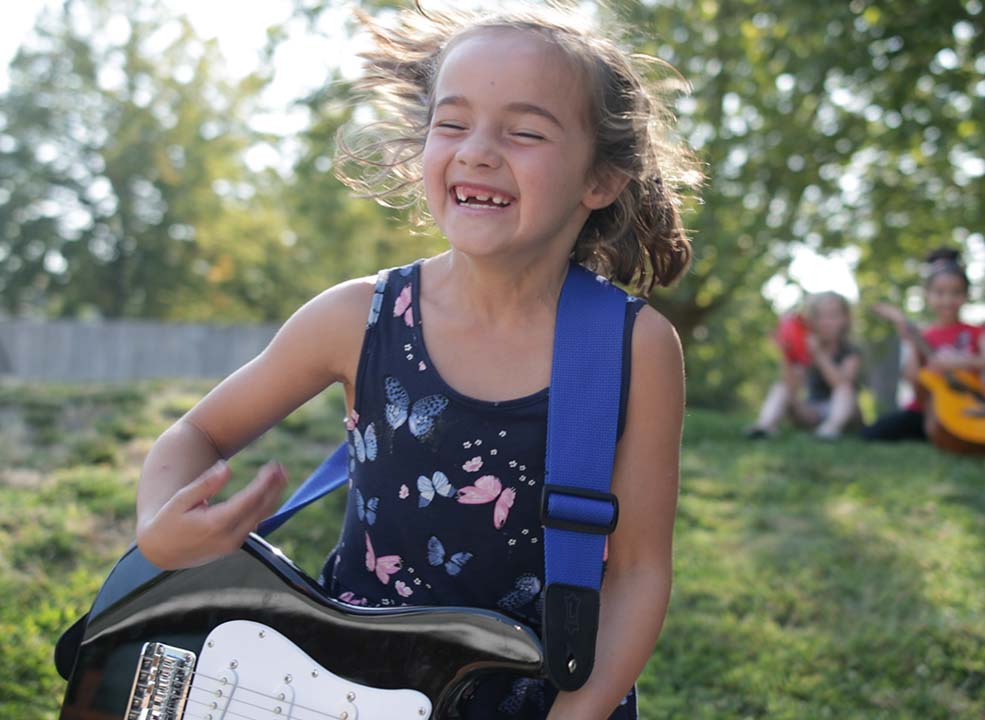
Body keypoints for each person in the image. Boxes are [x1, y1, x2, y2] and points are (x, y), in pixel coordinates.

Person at [133, 4, 701, 718]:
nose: (477, 151)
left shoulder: (635, 349)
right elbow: (196, 435)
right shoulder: (356, 318)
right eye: (451, 123)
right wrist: (158, 520)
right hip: (347, 692)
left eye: (525, 132)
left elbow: (641, 571)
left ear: (602, 179)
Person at [863, 247, 985, 441]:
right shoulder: (923, 335)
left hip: (969, 406)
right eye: (939, 293)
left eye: (955, 293)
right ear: (927, 295)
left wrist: (960, 362)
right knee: (872, 433)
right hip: (925, 409)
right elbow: (912, 378)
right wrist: (909, 343)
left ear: (966, 295)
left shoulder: (977, 332)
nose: (947, 300)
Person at [747, 292, 862, 439]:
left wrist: (819, 354)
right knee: (781, 387)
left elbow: (840, 384)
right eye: (820, 316)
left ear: (845, 319)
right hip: (812, 411)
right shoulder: (804, 347)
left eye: (833, 315)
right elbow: (792, 384)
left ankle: (831, 429)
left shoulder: (850, 351)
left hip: (844, 412)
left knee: (845, 389)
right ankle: (764, 426)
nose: (826, 322)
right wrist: (786, 354)